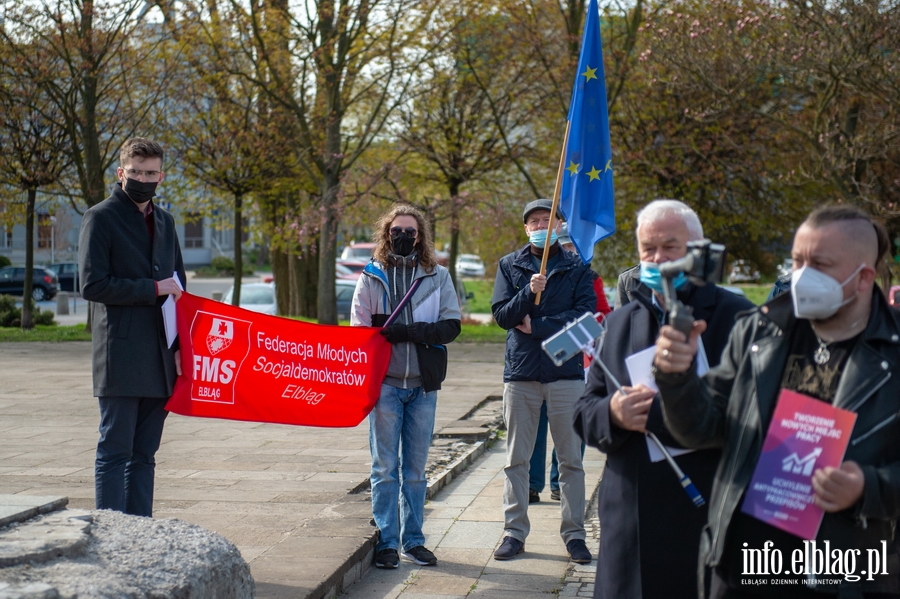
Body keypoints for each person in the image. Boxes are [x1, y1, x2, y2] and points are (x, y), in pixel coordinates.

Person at [654, 204, 900, 598]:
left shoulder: (893, 353)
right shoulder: (759, 331)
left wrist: (869, 486)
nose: (802, 276)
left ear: (863, 278)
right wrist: (675, 376)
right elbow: (700, 429)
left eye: (819, 263)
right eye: (797, 260)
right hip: (742, 567)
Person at [572, 199, 753, 599]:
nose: (658, 258)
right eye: (648, 250)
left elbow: (756, 414)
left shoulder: (739, 318)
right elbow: (585, 413)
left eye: (670, 247)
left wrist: (668, 407)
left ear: (698, 248)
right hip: (629, 524)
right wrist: (614, 412)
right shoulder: (620, 322)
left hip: (706, 511)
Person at [79, 137, 185, 517]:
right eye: (136, 172)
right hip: (120, 355)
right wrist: (152, 288)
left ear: (161, 176)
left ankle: (142, 533)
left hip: (160, 358)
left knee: (145, 455)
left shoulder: (166, 221)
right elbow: (92, 284)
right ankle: (110, 534)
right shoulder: (101, 217)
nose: (143, 179)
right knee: (115, 451)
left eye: (151, 173)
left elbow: (179, 291)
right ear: (121, 172)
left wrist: (179, 350)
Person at [351, 205, 461, 569]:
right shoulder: (371, 277)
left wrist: (406, 332)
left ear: (421, 236)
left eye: (410, 232)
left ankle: (413, 540)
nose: (403, 237)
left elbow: (450, 326)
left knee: (415, 471)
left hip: (423, 387)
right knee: (384, 469)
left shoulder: (437, 276)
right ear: (386, 234)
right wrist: (384, 333)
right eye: (397, 230)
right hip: (384, 386)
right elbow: (360, 332)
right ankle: (386, 541)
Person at [491, 199, 596, 563]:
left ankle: (574, 535)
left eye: (548, 220)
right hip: (521, 375)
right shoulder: (510, 265)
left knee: (571, 461)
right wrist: (527, 290)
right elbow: (503, 316)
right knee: (516, 460)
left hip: (565, 374)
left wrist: (537, 327)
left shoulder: (578, 268)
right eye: (534, 221)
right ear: (525, 229)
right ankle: (513, 532)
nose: (541, 225)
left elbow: (584, 319)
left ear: (560, 225)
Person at [529, 223, 612, 503]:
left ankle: (558, 483)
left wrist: (573, 334)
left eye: (574, 248)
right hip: (533, 359)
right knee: (535, 425)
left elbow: (600, 314)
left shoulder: (590, 278)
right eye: (565, 247)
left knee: (571, 427)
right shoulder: (536, 275)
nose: (570, 252)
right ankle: (531, 482)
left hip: (573, 358)